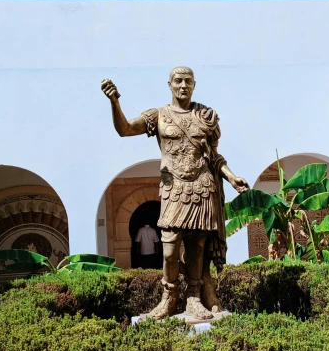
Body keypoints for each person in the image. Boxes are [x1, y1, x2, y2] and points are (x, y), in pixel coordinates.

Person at [101, 66, 249, 320]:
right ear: (169, 84)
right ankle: (168, 298)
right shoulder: (159, 115)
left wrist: (232, 177)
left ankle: (193, 298)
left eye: (188, 81)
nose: (183, 85)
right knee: (169, 250)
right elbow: (124, 129)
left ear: (194, 85)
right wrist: (114, 102)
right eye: (178, 81)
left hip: (201, 188)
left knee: (196, 249)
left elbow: (214, 158)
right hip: (174, 190)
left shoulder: (205, 117)